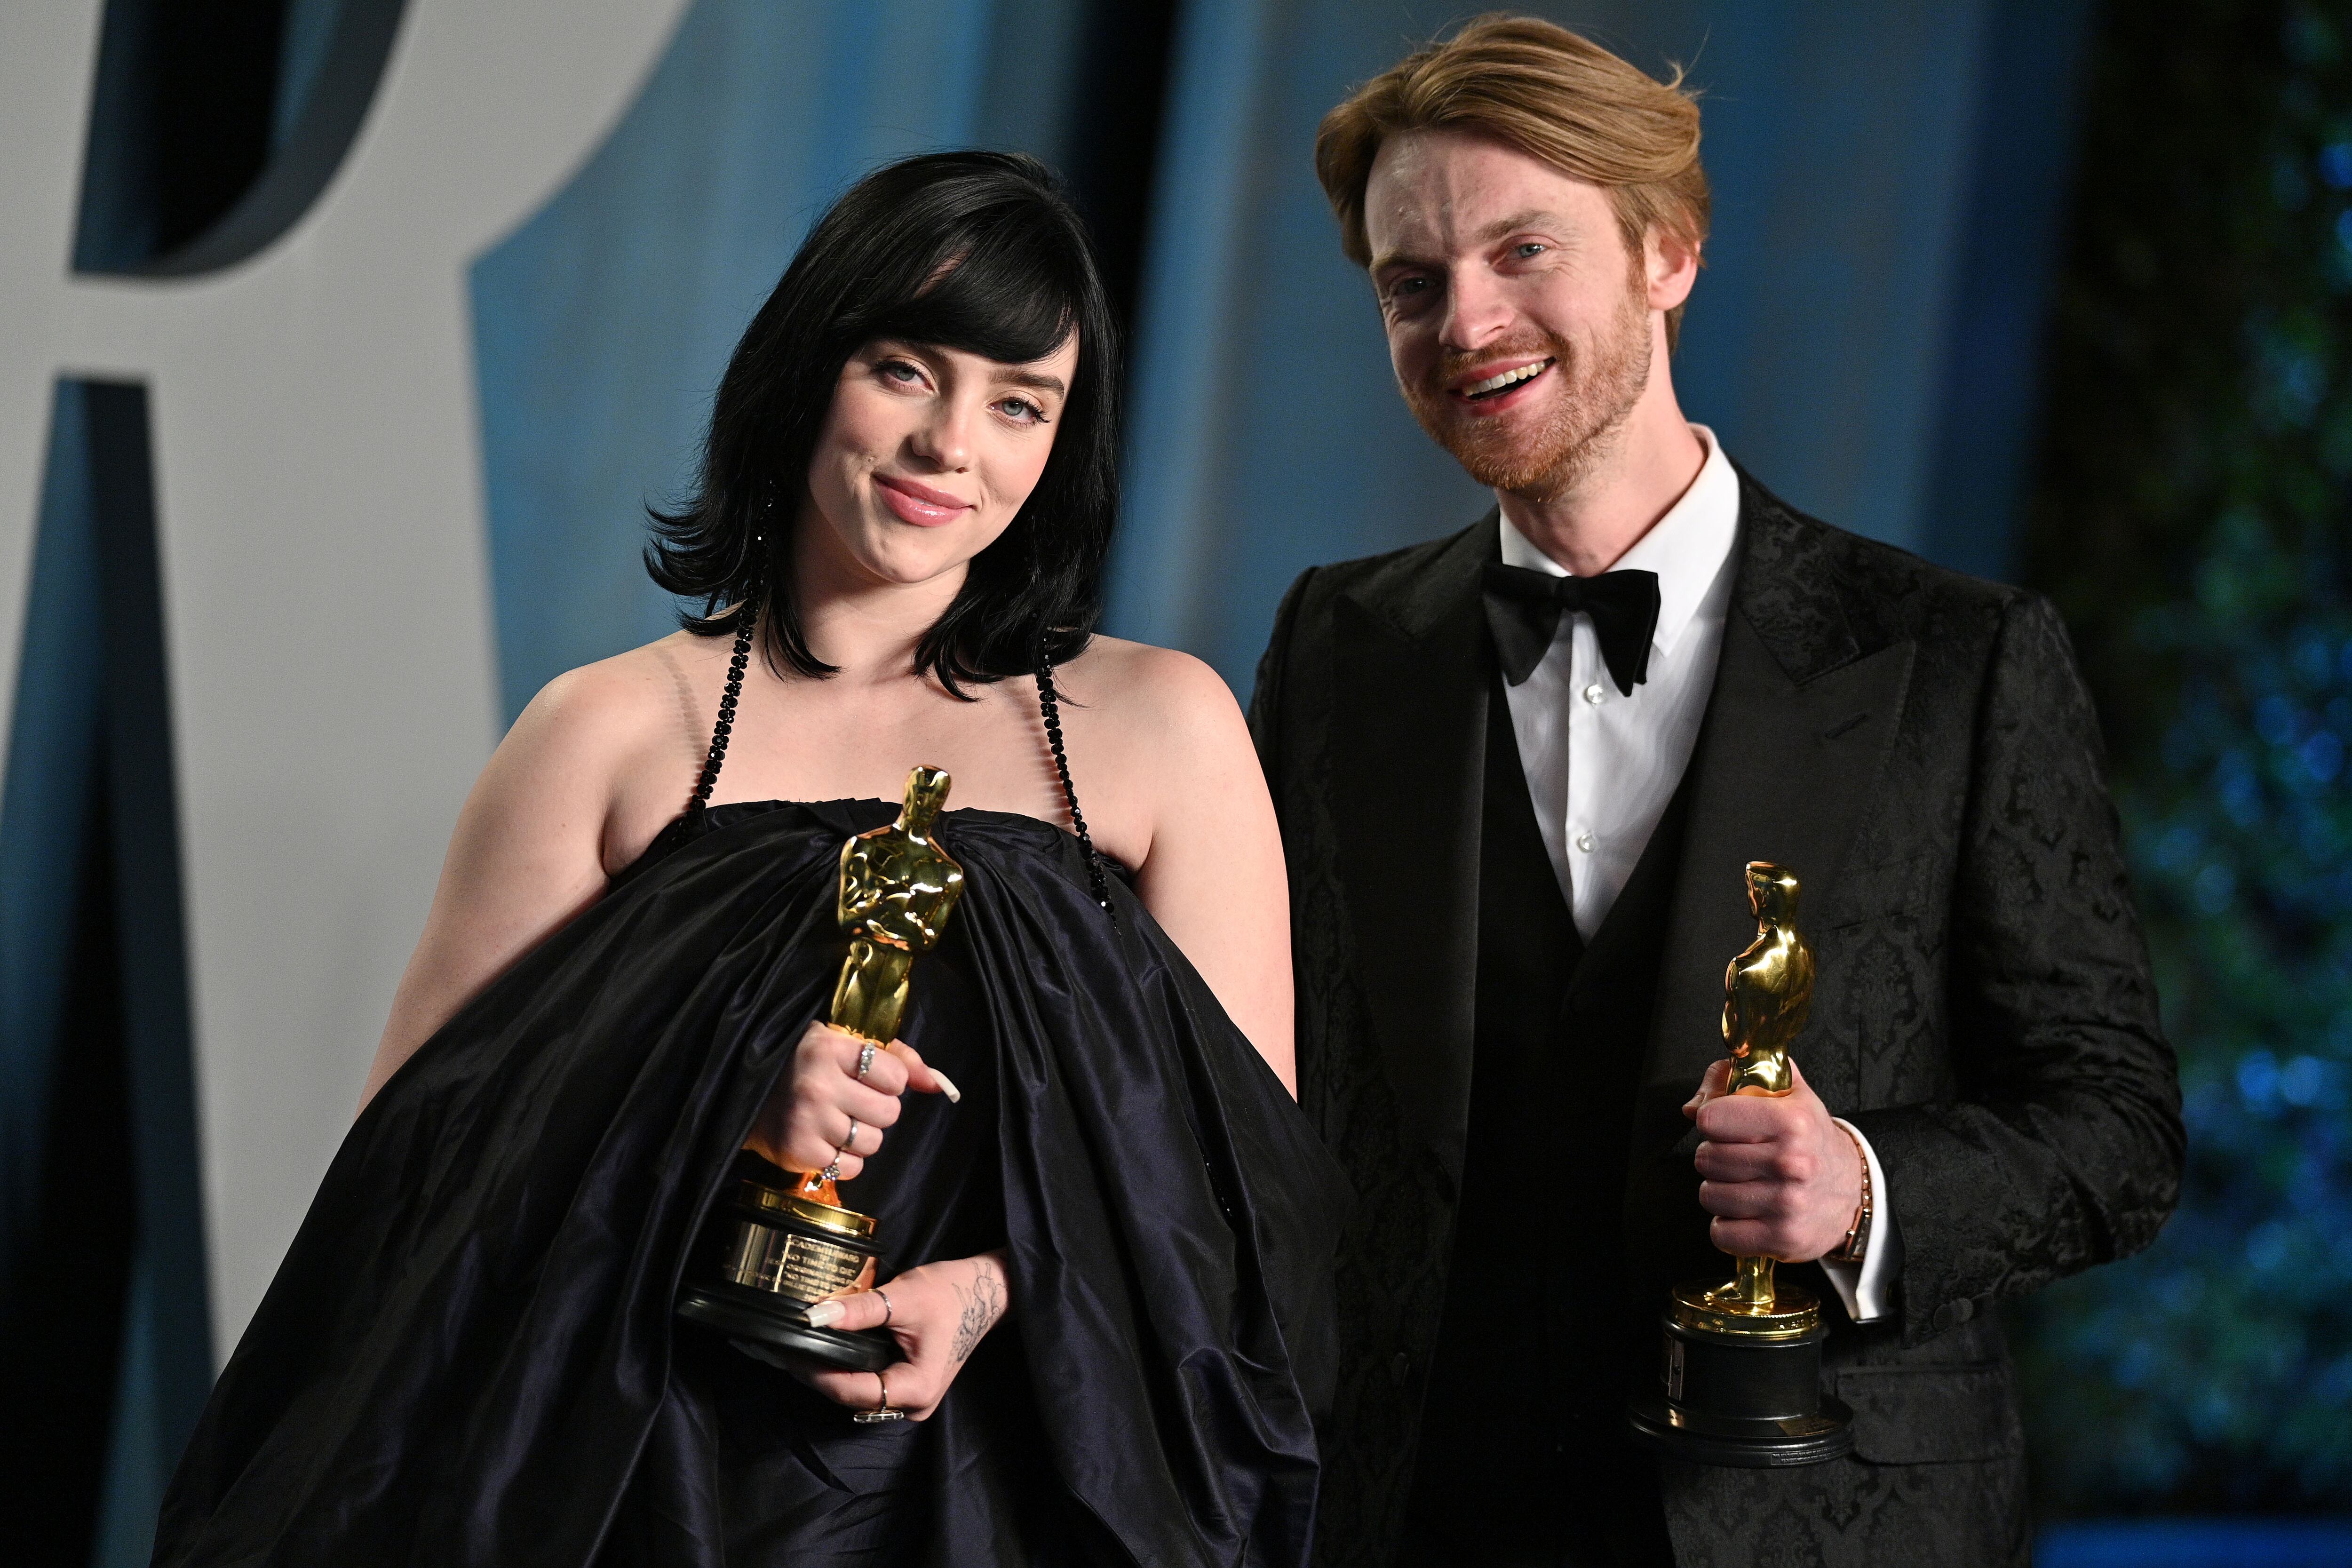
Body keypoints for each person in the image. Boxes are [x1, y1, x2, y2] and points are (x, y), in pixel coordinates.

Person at [154, 151, 1344, 1568]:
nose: (950, 446)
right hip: (649, 1494)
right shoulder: (607, 732)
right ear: (807, 367)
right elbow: (417, 1182)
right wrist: (726, 1095)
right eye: (906, 369)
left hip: (1022, 1496)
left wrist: (994, 1291)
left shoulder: (1162, 729)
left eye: (1018, 403)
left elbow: (1244, 1197)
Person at [1248, 16, 2184, 1567]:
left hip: (1824, 1517)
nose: (1464, 319)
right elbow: (1242, 1080)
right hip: (1410, 1512)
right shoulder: (1336, 644)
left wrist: (1867, 1188)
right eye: (1411, 284)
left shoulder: (1958, 657)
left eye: (1522, 249)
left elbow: (2120, 1132)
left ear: (1668, 252)